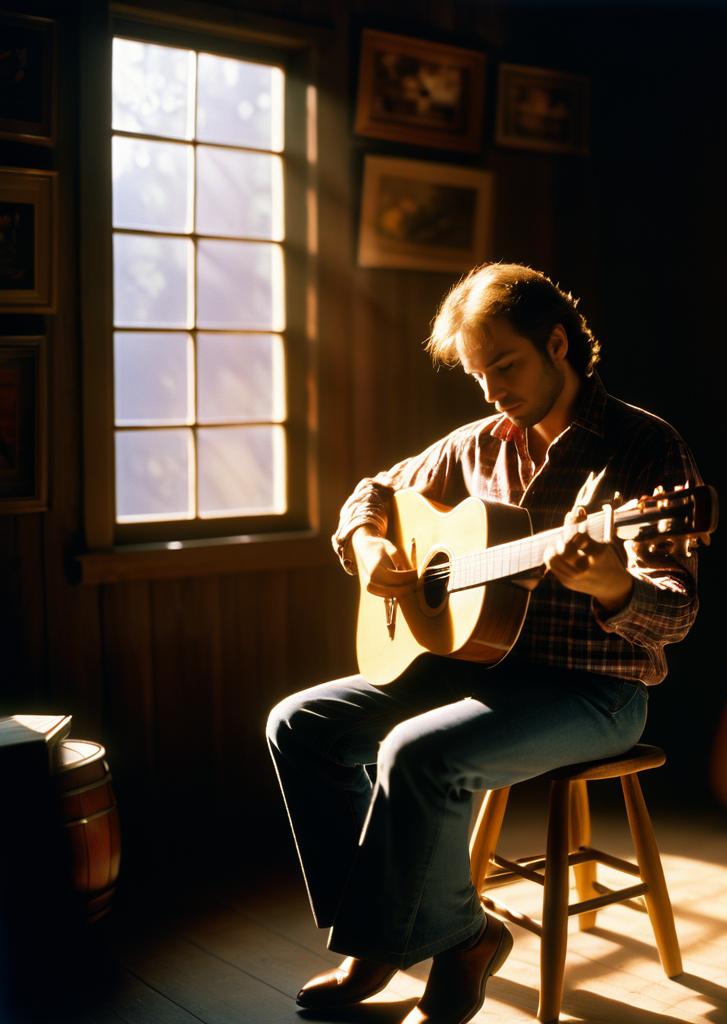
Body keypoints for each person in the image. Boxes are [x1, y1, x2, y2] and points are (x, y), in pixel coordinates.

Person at [266, 263, 703, 1024]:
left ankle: (404, 946)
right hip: (475, 669)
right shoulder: (478, 444)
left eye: (505, 366)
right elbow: (372, 490)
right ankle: (427, 935)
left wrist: (610, 585)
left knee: (418, 753)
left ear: (557, 343)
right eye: (478, 374)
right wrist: (366, 544)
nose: (493, 391)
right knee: (299, 724)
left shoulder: (644, 448)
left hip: (594, 692)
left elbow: (677, 611)